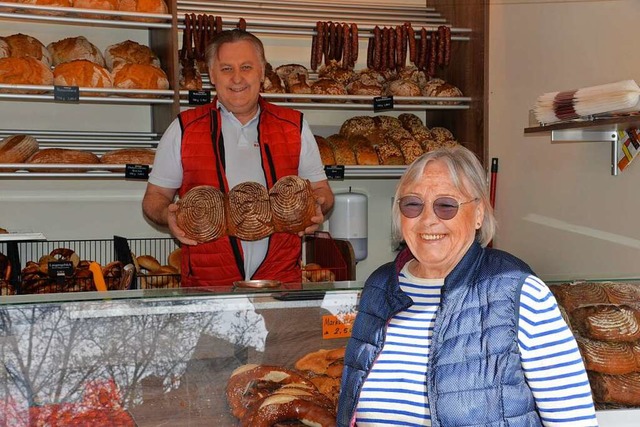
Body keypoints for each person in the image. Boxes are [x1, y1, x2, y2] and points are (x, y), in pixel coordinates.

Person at [336, 146, 598, 427]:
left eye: (446, 205)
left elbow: (575, 422)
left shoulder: (520, 294)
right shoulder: (379, 287)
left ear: (478, 214)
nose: (428, 219)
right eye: (412, 204)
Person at [142, 29, 334, 287]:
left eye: (246, 67)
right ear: (211, 75)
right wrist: (168, 216)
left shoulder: (294, 125)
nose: (237, 78)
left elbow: (322, 191)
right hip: (208, 286)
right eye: (226, 69)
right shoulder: (184, 128)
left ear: (262, 72)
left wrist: (318, 206)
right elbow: (154, 199)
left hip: (280, 284)